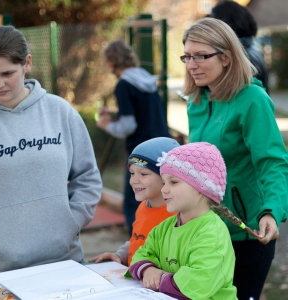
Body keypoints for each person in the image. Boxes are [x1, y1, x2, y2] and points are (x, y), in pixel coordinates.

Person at [0, 25, 102, 281]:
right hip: (1, 271)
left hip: (65, 261)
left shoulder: (60, 111)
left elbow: (87, 177)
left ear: (26, 63)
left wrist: (73, 221)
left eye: (7, 73)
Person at [182, 18, 288, 300]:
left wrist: (272, 212)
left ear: (226, 57)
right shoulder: (197, 101)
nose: (192, 64)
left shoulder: (253, 99)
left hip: (246, 232)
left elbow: (273, 163)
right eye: (187, 56)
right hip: (205, 230)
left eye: (201, 56)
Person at [128, 142, 248, 299]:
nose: (164, 189)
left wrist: (159, 279)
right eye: (164, 182)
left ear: (201, 187)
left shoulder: (212, 233)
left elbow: (198, 283)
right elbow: (141, 253)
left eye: (174, 182)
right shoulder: (164, 228)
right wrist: (148, 270)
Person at [96, 39, 170, 235]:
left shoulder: (123, 85)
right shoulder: (145, 79)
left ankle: (136, 246)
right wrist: (115, 113)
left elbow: (128, 126)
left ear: (111, 61)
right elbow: (141, 112)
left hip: (141, 153)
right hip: (163, 147)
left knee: (132, 202)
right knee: (161, 198)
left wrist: (107, 124)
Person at [89, 137, 179, 266]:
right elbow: (138, 239)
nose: (134, 180)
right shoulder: (143, 207)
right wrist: (120, 256)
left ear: (167, 176)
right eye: (132, 173)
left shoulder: (178, 217)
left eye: (143, 174)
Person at [210, 0, 269, 94]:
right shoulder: (251, 48)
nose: (211, 28)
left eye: (215, 21)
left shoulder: (244, 55)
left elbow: (248, 95)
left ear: (227, 23)